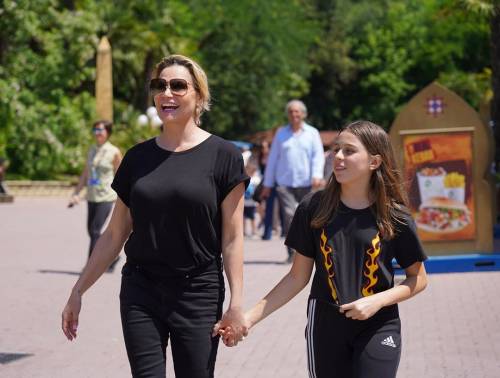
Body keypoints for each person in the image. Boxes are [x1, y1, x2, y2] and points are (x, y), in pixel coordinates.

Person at [61, 54, 248, 378]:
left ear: (199, 95)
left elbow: (232, 238)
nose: (167, 93)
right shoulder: (137, 157)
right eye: (159, 85)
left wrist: (236, 302)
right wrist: (78, 290)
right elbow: (114, 233)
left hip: (198, 292)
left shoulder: (224, 156)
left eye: (178, 86)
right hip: (141, 290)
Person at [219, 120, 428, 377]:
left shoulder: (395, 216)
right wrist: (247, 319)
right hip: (326, 326)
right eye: (336, 149)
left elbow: (418, 278)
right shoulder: (313, 207)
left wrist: (377, 301)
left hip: (379, 324)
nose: (337, 156)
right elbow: (297, 277)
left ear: (374, 162)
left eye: (349, 151)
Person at [261, 100, 325, 262]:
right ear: (288, 114)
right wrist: (267, 184)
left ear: (303, 114)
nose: (294, 114)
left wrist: (317, 174)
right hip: (285, 184)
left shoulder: (312, 133)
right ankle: (292, 253)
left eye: (297, 111)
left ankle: (309, 252)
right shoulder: (281, 134)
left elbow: (318, 156)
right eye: (291, 112)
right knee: (290, 216)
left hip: (307, 183)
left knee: (308, 216)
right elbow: (273, 159)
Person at [68, 120, 122, 269]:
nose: (97, 133)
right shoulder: (92, 149)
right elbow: (86, 173)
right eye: (95, 130)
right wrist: (77, 193)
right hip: (92, 195)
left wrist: (125, 196)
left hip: (106, 196)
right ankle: (113, 257)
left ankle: (91, 266)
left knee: (95, 230)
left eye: (100, 130)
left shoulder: (114, 151)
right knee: (91, 231)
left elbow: (122, 174)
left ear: (108, 133)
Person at [243, 159, 261, 239]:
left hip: (252, 202)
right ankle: (243, 232)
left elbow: (257, 191)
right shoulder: (244, 179)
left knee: (252, 218)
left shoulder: (256, 180)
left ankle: (254, 231)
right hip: (244, 202)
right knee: (243, 218)